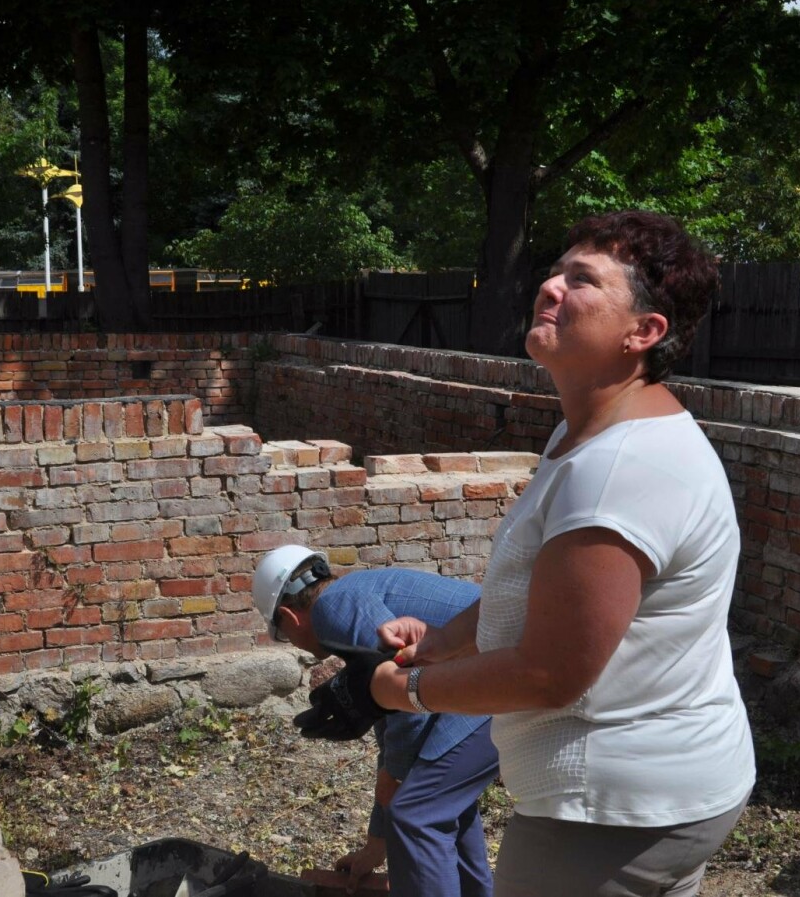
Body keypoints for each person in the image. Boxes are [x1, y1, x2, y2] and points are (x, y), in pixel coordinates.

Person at [323, 211, 755, 897]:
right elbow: (538, 600)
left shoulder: (618, 470)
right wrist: (443, 640)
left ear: (643, 333)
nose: (550, 286)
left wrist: (398, 690)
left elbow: (552, 672)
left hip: (610, 812)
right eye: (556, 270)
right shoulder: (585, 434)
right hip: (666, 789)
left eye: (582, 280)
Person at [252, 545, 500, 897]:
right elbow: (388, 712)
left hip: (490, 681)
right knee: (440, 801)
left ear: (290, 618)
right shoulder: (353, 593)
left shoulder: (332, 609)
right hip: (489, 677)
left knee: (418, 815)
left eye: (282, 635)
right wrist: (375, 844)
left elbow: (407, 693)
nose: (292, 642)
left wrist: (394, 775)